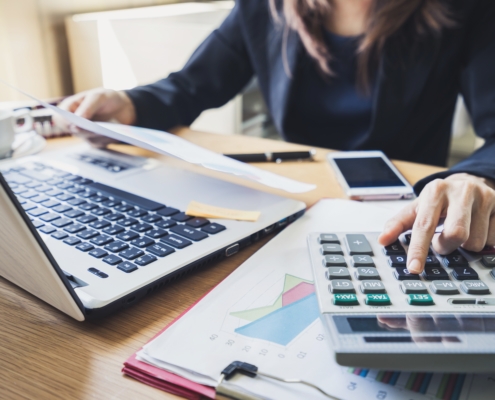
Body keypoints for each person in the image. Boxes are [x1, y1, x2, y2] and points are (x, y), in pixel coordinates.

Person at [59, 0, 495, 274]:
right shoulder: (262, 7)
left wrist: (473, 178)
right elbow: (192, 86)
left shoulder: (466, 9)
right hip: (293, 211)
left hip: (405, 218)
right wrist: (128, 102)